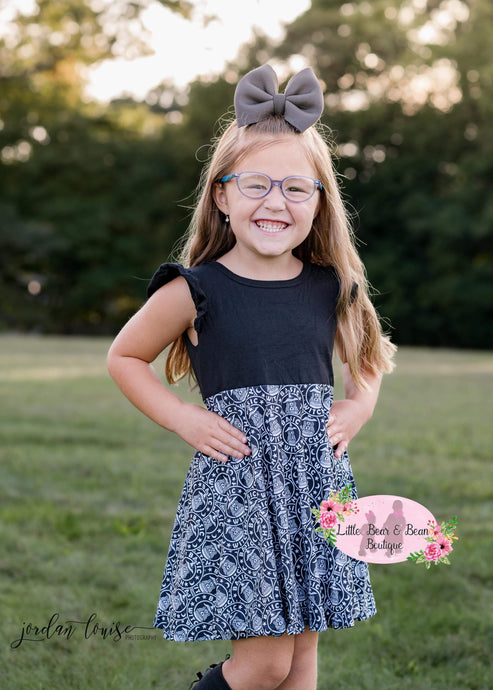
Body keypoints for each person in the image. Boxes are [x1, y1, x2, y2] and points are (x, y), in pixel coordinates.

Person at [107, 64, 396, 690]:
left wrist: (359, 406)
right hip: (240, 488)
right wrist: (185, 419)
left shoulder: (330, 286)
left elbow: (369, 359)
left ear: (319, 200)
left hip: (314, 485)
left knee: (301, 662)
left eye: (296, 188)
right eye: (256, 184)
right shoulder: (195, 289)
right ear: (222, 195)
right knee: (264, 665)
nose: (275, 202)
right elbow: (125, 358)